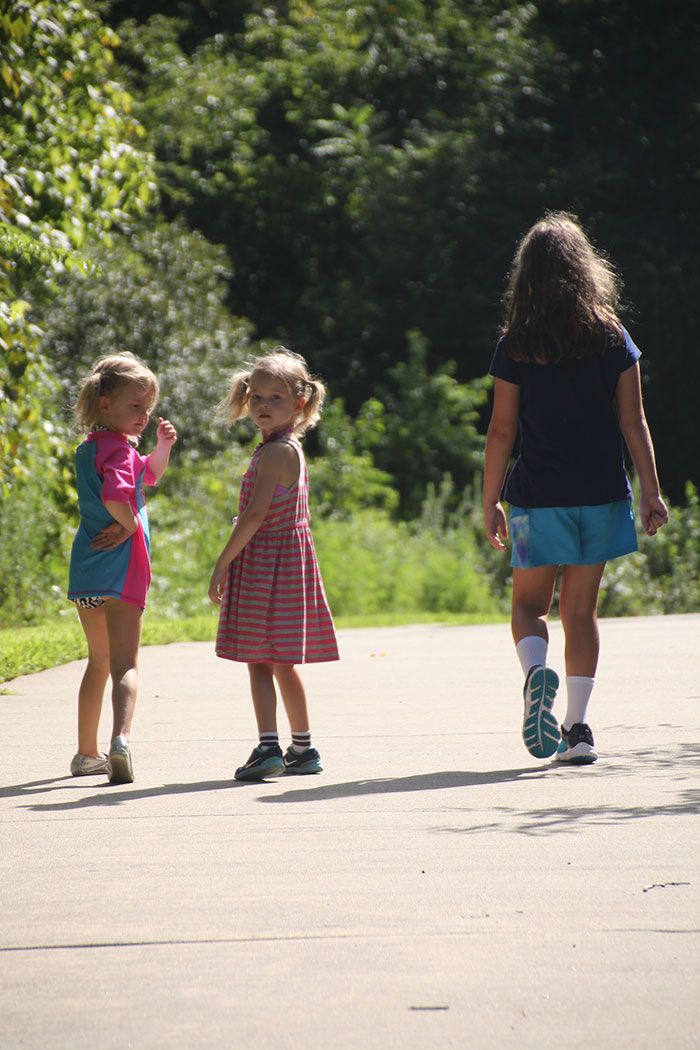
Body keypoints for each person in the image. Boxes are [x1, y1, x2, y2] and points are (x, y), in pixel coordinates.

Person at [483, 212, 668, 765]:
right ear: (585, 271)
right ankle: (579, 730)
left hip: (537, 495)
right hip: (602, 492)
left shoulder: (516, 343)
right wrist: (652, 492)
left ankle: (537, 672)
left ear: (527, 276)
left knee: (528, 606)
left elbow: (501, 429)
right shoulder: (613, 335)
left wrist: (490, 498)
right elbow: (634, 422)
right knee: (580, 613)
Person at [209, 348, 338, 782]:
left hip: (269, 564)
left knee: (266, 659)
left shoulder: (276, 453)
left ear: (299, 404)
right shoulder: (283, 448)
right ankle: (299, 748)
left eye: (275, 399)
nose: (264, 406)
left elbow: (255, 516)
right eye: (257, 397)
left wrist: (222, 563)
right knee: (276, 659)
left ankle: (274, 746)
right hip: (281, 563)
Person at [67, 353, 177, 784]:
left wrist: (163, 449)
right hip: (120, 574)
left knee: (97, 662)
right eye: (136, 406)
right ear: (105, 404)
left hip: (88, 574)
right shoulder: (117, 450)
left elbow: (146, 475)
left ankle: (85, 753)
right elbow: (120, 494)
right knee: (125, 665)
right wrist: (129, 526)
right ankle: (120, 742)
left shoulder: (93, 448)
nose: (144, 415)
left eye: (148, 408)